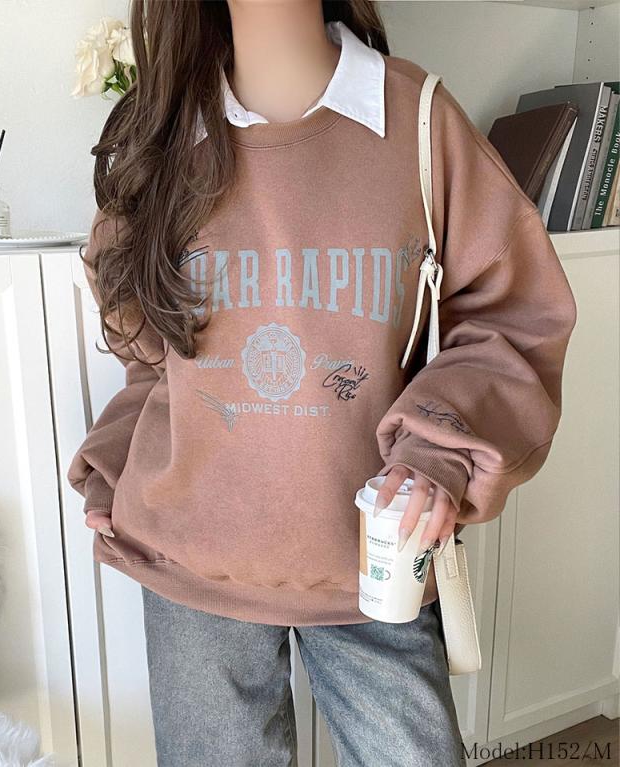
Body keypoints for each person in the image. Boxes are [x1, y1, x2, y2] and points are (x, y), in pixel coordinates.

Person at [67, 1, 578, 765]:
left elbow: (512, 314)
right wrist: (119, 455)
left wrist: (437, 453)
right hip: (190, 558)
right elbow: (150, 351)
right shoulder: (161, 134)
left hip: (376, 555)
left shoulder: (417, 121)